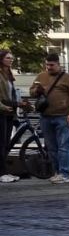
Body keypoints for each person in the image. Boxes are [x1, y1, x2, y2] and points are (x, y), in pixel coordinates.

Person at [29, 53, 69, 185]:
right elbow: (31, 92)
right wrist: (37, 90)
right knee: (51, 147)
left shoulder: (68, 78)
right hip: (46, 116)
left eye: (51, 65)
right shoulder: (41, 76)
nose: (49, 67)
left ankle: (65, 173)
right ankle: (57, 172)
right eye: (47, 65)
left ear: (58, 64)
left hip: (63, 116)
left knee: (64, 146)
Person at [0, 49, 21, 183]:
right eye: (8, 58)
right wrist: (2, 106)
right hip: (1, 112)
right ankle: (2, 173)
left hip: (8, 112)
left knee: (6, 143)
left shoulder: (8, 75)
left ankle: (4, 171)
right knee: (1, 143)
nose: (11, 60)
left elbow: (11, 93)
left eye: (12, 58)